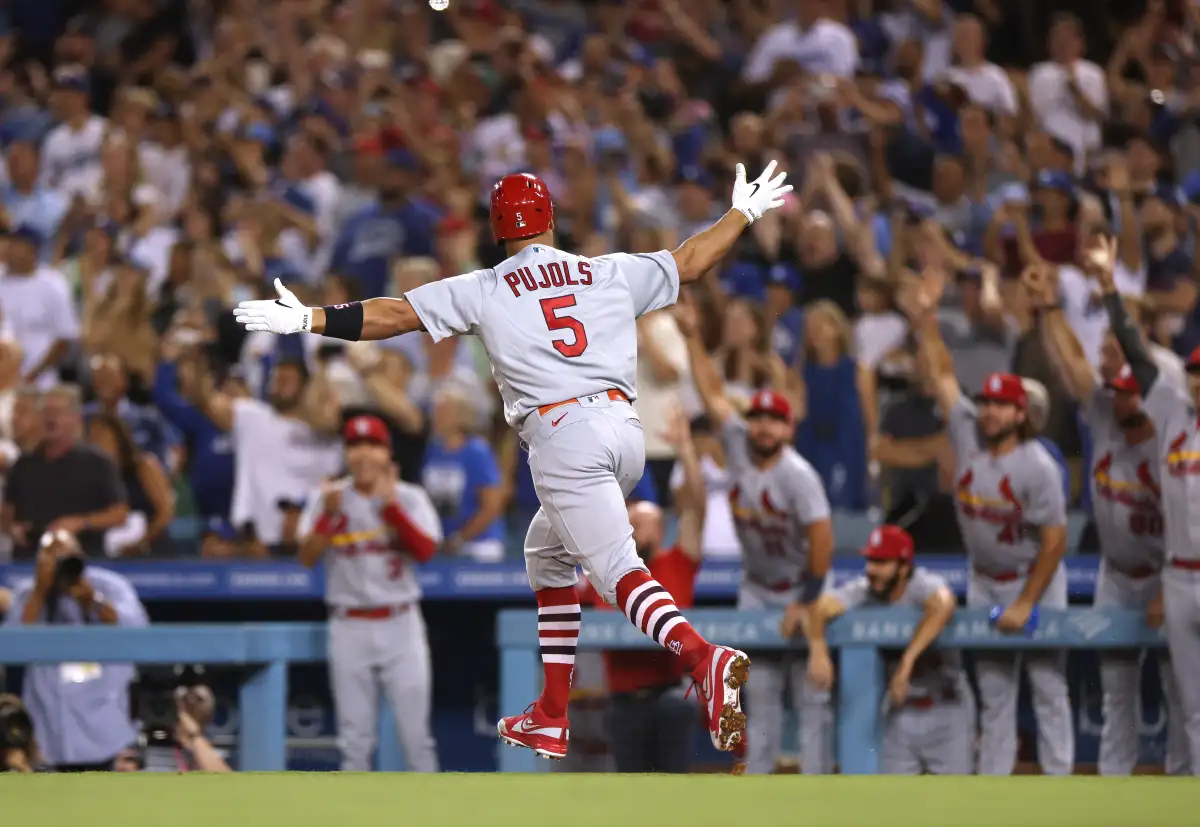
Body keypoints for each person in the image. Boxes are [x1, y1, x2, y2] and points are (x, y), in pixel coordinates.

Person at [234, 162, 795, 757]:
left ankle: (703, 658)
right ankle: (552, 713)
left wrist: (309, 318)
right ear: (549, 220)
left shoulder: (487, 285)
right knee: (546, 554)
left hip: (563, 435)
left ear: (498, 232)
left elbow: (394, 314)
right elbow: (690, 260)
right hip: (626, 437)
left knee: (613, 571)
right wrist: (743, 213)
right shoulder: (606, 270)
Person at [908, 265, 1073, 776]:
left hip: (1036, 582)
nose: (990, 412)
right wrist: (927, 316)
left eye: (1002, 406)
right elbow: (940, 373)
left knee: (1048, 685)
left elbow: (1054, 541)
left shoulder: (1039, 466)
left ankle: (1062, 789)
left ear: (1021, 414)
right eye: (988, 404)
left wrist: (1026, 601)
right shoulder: (966, 432)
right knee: (995, 691)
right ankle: (996, 792)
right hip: (985, 580)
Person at [1030, 261, 1190, 775]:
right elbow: (1074, 364)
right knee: (1114, 689)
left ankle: (1183, 786)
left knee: (1181, 691)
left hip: (1171, 574)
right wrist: (1050, 306)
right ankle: (1113, 788)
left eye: (1123, 384)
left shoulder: (1172, 421)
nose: (1111, 390)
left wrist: (1171, 586)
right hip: (1117, 573)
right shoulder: (1101, 409)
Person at [679, 303, 835, 775]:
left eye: (774, 419)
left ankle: (814, 792)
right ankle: (762, 789)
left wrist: (806, 602)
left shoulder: (799, 476)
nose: (763, 425)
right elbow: (711, 393)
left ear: (789, 429)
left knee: (811, 697)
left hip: (801, 586)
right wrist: (691, 337)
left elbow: (823, 543)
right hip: (757, 587)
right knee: (759, 695)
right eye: (758, 417)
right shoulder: (739, 446)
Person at [1094, 235, 1200, 775]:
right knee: (1191, 704)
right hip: (1178, 576)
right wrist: (1110, 290)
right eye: (1197, 375)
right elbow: (1135, 353)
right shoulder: (1174, 418)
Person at [297, 415, 441, 772]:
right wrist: (327, 519)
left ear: (386, 454)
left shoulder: (409, 497)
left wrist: (391, 508)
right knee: (355, 745)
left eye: (372, 445)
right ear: (346, 453)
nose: (363, 454)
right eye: (355, 445)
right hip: (349, 626)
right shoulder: (327, 498)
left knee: (416, 740)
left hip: (401, 623)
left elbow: (426, 551)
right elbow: (306, 557)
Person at [583, 406, 705, 773]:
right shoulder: (602, 572)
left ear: (660, 529)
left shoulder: (676, 563)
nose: (633, 529)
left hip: (670, 692)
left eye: (642, 523)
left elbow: (697, 510)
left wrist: (685, 452)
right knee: (630, 788)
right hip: (622, 699)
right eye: (628, 522)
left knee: (672, 781)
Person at [806, 525, 972, 774]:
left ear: (904, 567)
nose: (872, 569)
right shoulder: (865, 590)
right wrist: (818, 650)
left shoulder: (922, 584)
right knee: (894, 800)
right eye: (871, 560)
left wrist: (907, 661)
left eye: (882, 562)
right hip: (900, 710)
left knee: (957, 801)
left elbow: (944, 604)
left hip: (946, 707)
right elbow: (819, 608)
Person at [2, 529, 148, 771]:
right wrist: (40, 590)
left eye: (66, 557)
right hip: (48, 741)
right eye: (52, 557)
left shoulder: (109, 585)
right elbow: (11, 645)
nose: (60, 564)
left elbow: (138, 635)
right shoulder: (29, 593)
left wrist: (93, 600)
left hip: (106, 740)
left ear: (80, 556)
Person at [1, 385, 129, 559]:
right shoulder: (22, 465)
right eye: (46, 412)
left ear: (75, 418)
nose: (51, 419)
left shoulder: (97, 463)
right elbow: (7, 514)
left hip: (84, 561)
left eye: (58, 412)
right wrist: (13, 529)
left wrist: (80, 523)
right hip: (30, 563)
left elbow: (119, 513)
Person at [86, 412, 175, 557]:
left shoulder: (144, 466)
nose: (95, 442)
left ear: (118, 439)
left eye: (100, 436)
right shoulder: (93, 476)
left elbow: (166, 513)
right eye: (91, 437)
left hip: (152, 547)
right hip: (110, 551)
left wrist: (142, 542)